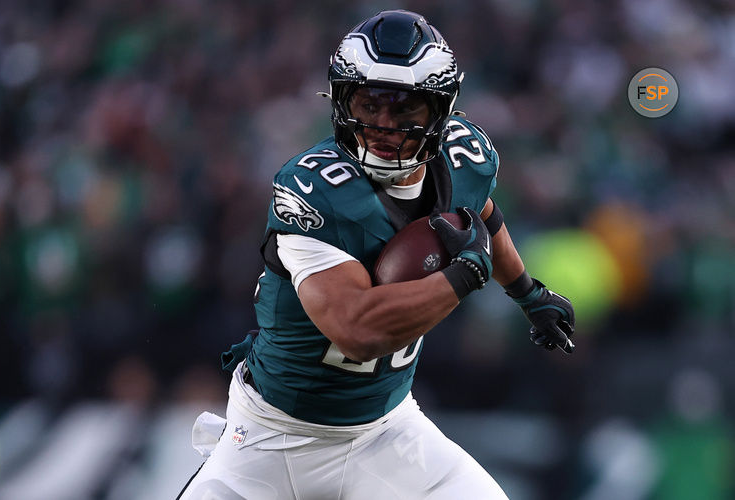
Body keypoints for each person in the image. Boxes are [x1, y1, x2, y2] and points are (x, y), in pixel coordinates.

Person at [178, 9, 575, 500]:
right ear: (343, 102)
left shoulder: (462, 158)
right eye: (368, 105)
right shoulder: (315, 189)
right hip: (270, 441)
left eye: (405, 109)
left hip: (385, 431)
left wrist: (527, 291)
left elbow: (480, 214)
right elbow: (359, 331)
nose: (384, 125)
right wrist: (466, 274)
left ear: (439, 112)